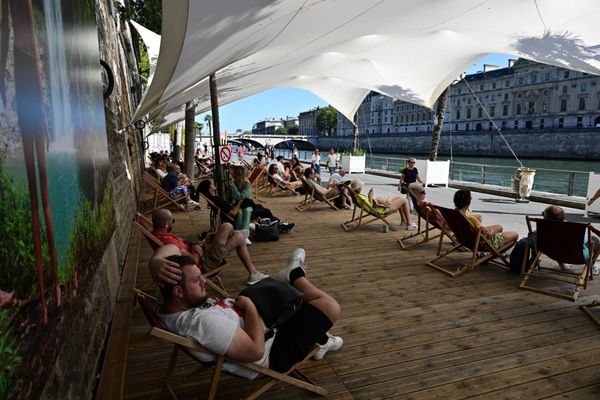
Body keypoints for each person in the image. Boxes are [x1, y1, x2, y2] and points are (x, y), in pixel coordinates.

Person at [154, 247, 343, 378]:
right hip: (272, 351)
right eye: (196, 280)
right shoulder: (201, 322)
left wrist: (156, 262)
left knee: (298, 304)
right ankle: (294, 274)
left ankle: (322, 340)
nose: (203, 281)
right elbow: (255, 351)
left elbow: (172, 247)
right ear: (179, 291)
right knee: (328, 306)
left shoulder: (169, 298)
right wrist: (251, 307)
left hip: (256, 320)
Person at [151, 210, 268, 285]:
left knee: (232, 234)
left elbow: (184, 244)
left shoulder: (160, 234)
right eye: (173, 221)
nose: (173, 223)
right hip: (204, 264)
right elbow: (192, 261)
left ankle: (252, 272)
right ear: (166, 225)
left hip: (201, 252)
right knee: (227, 227)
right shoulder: (168, 241)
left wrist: (196, 244)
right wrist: (198, 249)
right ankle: (252, 272)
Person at [198, 179, 295, 244]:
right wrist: (239, 202)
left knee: (257, 205)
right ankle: (279, 225)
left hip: (236, 211)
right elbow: (233, 213)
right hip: (239, 216)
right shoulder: (216, 200)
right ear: (210, 188)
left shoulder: (213, 198)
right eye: (212, 184)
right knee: (265, 211)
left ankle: (277, 222)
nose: (213, 185)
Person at [541, 205, 600, 274]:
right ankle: (590, 266)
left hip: (552, 254)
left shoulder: (542, 230)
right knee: (595, 240)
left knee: (558, 242)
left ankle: (562, 264)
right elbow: (584, 241)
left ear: (545, 218)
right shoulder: (574, 230)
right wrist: (593, 230)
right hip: (577, 258)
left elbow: (533, 237)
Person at [453, 189, 518, 248]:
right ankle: (492, 252)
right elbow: (485, 235)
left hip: (465, 240)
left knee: (499, 227)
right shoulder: (472, 219)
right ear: (468, 204)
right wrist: (491, 232)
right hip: (482, 244)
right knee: (515, 235)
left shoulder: (453, 214)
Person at [350, 179, 416, 229]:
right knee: (404, 200)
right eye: (361, 187)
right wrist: (370, 196)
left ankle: (403, 221)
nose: (361, 187)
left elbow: (369, 205)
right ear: (358, 188)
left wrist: (371, 197)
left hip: (377, 207)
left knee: (399, 197)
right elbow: (370, 208)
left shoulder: (357, 196)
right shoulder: (361, 198)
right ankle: (409, 224)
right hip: (380, 210)